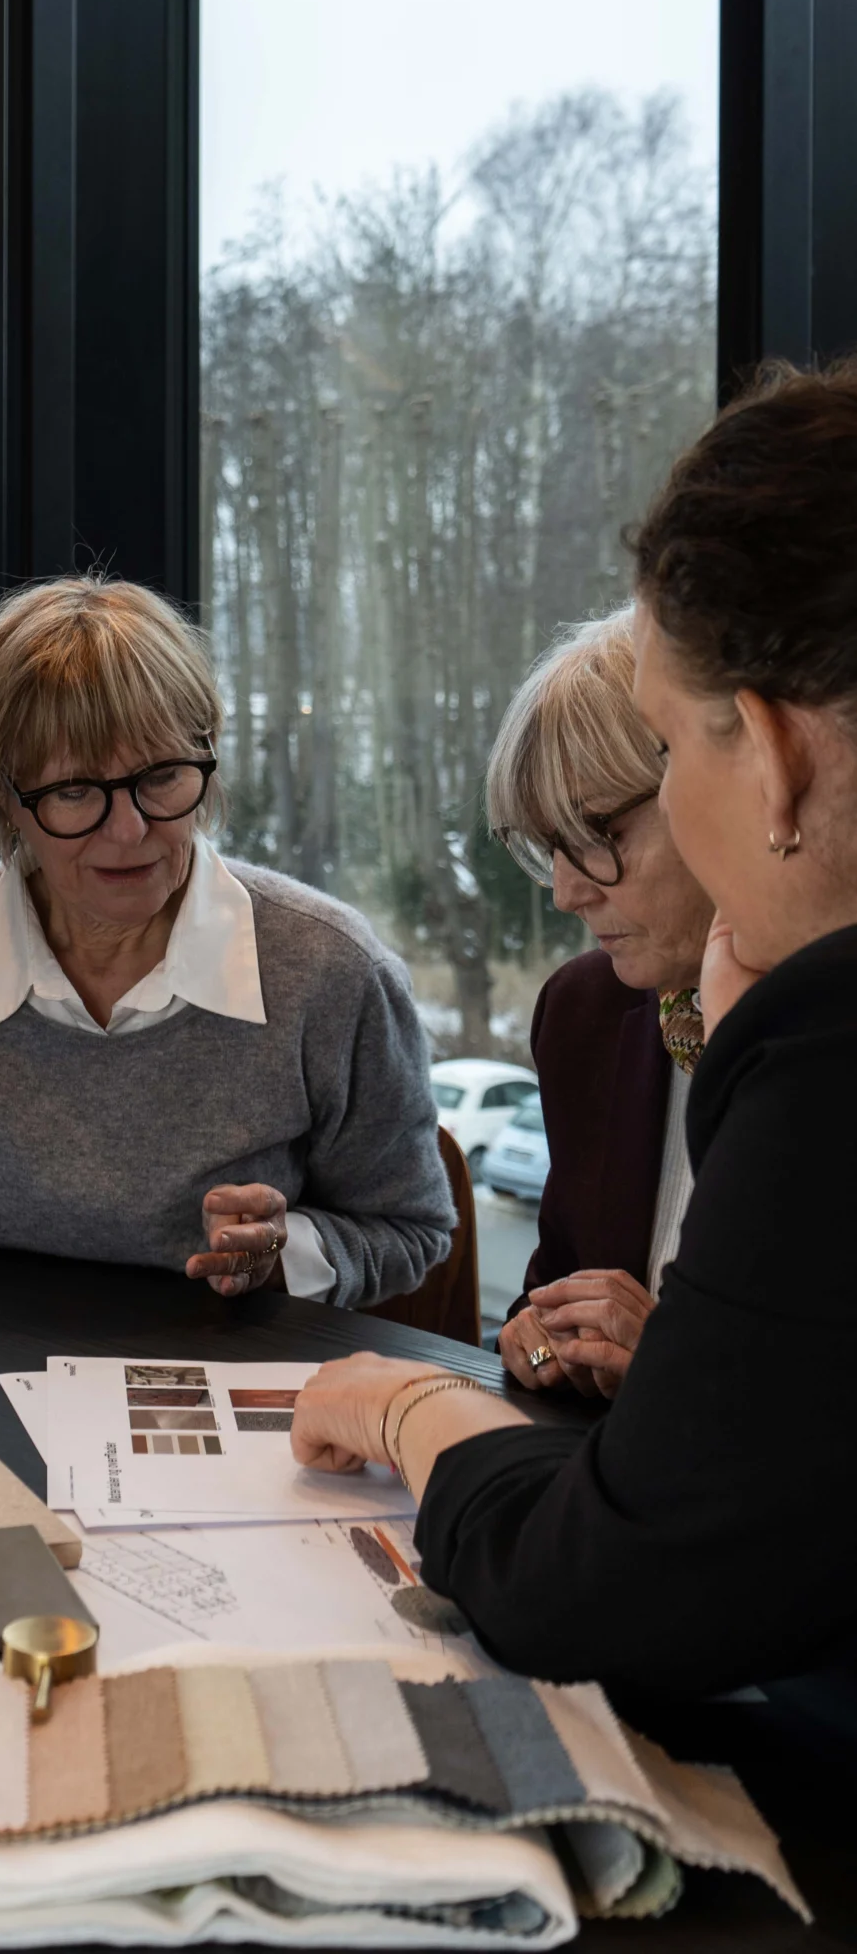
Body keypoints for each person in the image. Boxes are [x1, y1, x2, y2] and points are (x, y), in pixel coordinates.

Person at [289, 361, 857, 1696]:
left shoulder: (817, 1055)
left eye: (663, 755)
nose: (562, 888)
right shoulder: (605, 1019)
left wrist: (406, 1404)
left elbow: (603, 1597)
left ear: (765, 756)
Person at [0, 574, 453, 1303]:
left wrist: (291, 1251)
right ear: (1, 796)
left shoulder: (328, 970)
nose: (128, 832)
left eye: (160, 777)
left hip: (233, 1386)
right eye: (74, 792)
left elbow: (410, 1230)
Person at [485, 608, 714, 1397]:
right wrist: (541, 1347)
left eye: (592, 831)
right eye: (546, 846)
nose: (565, 891)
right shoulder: (583, 1014)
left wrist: (676, 1368)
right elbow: (551, 1292)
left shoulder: (820, 1034)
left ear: (715, 787)